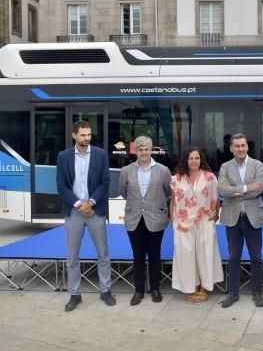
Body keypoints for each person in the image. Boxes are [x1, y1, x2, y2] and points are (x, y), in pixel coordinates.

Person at [56, 120, 114, 312]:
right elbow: (61, 186)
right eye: (83, 135)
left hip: (95, 210)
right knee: (72, 256)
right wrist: (79, 204)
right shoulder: (63, 157)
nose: (87, 138)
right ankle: (75, 294)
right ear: (74, 135)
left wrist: (90, 203)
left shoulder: (101, 154)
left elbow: (105, 182)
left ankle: (105, 291)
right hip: (74, 211)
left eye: (89, 134)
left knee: (103, 254)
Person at [118, 136, 172, 306]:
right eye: (140, 149)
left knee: (155, 255)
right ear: (136, 151)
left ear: (151, 150)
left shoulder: (163, 171)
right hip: (134, 218)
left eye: (146, 149)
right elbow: (123, 192)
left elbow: (168, 192)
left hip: (156, 218)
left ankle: (155, 289)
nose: (143, 152)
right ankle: (139, 290)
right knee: (138, 256)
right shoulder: (126, 170)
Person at [218, 133, 263, 308]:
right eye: (236, 146)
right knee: (233, 257)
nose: (240, 149)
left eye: (242, 146)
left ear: (247, 147)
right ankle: (233, 293)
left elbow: (259, 190)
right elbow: (222, 191)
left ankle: (257, 292)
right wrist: (247, 188)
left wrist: (235, 190)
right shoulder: (225, 166)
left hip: (253, 217)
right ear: (231, 148)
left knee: (256, 257)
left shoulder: (257, 165)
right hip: (232, 217)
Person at [170, 148, 223, 303]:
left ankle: (204, 288)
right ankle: (191, 287)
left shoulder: (209, 177)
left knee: (205, 255)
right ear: (185, 160)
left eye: (197, 158)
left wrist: (215, 217)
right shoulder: (177, 179)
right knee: (186, 256)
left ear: (201, 160)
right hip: (182, 223)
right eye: (191, 158)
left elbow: (216, 198)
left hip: (204, 221)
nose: (194, 160)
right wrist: (173, 220)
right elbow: (173, 200)